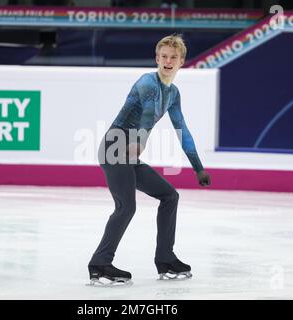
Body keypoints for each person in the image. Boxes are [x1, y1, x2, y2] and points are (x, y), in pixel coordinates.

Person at [88, 34, 211, 286]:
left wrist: (198, 167)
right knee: (126, 207)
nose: (168, 61)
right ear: (157, 59)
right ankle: (100, 264)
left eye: (173, 57)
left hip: (130, 152)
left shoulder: (173, 94)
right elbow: (146, 114)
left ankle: (165, 258)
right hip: (115, 145)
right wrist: (141, 140)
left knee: (169, 196)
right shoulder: (147, 82)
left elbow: (183, 131)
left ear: (181, 62)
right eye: (163, 56)